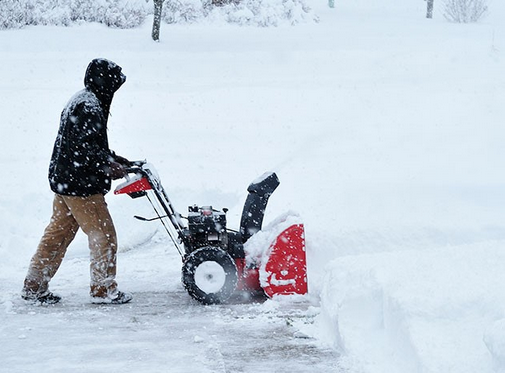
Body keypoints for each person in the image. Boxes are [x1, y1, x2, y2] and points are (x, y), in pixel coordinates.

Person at [22, 58, 133, 305]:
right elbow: (84, 151)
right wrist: (107, 167)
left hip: (66, 182)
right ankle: (104, 290)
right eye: (113, 84)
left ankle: (34, 284)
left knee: (57, 235)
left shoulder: (82, 100)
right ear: (104, 82)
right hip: (81, 186)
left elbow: (88, 146)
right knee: (103, 235)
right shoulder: (89, 107)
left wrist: (115, 159)